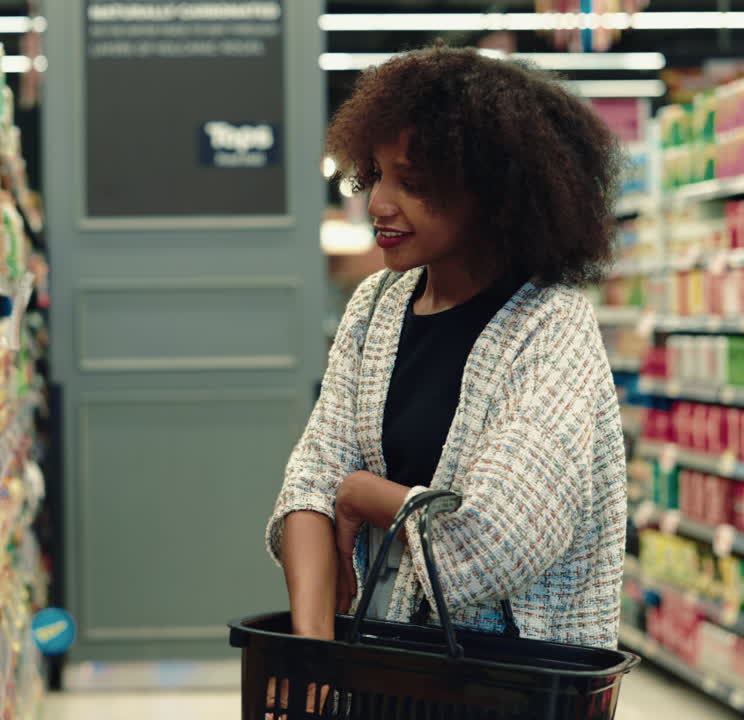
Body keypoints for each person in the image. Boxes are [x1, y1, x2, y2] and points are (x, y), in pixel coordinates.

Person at [266, 45, 626, 649]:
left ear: (496, 197)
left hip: (507, 684)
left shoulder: (552, 327)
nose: (379, 203)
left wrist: (365, 493)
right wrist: (312, 650)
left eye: (414, 183)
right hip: (383, 671)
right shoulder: (376, 306)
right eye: (377, 173)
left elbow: (496, 542)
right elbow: (310, 482)